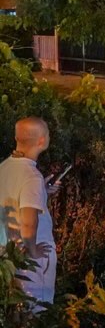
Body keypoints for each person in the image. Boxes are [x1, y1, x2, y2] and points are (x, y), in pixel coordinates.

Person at [0, 118, 60, 308]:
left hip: (6, 253)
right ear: (41, 141)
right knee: (36, 308)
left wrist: (41, 191)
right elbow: (28, 222)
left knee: (15, 310)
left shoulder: (4, 166)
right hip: (28, 260)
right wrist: (33, 251)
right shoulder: (31, 176)